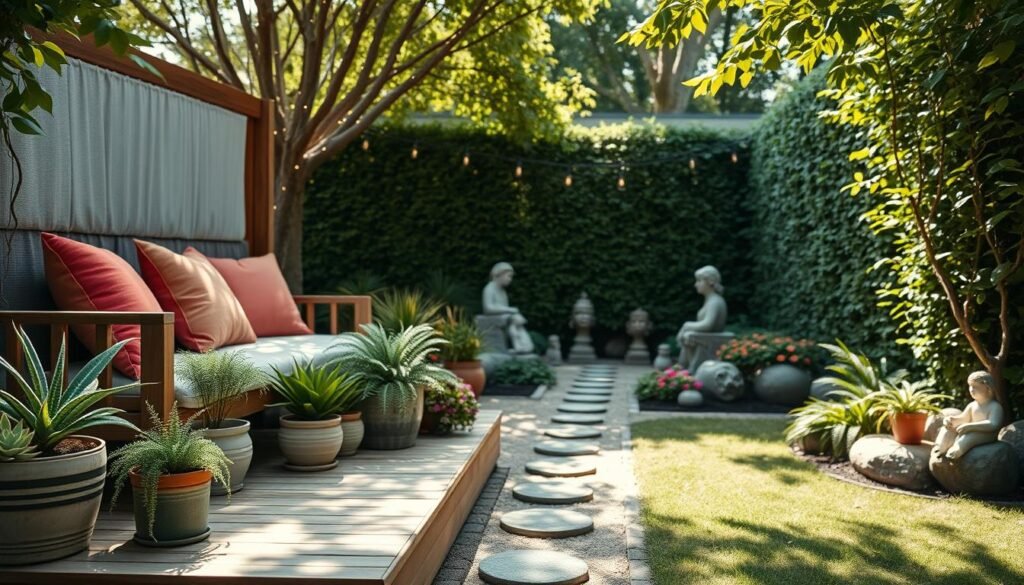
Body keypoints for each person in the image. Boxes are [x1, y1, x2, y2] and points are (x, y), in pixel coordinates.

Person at [932, 371, 1004, 460]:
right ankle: (940, 448)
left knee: (969, 437)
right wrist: (951, 420)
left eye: (975, 386)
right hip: (970, 429)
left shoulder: (995, 406)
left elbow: (994, 424)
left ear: (987, 387)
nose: (971, 389)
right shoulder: (972, 405)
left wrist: (970, 426)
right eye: (970, 386)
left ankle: (956, 451)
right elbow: (964, 418)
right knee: (947, 429)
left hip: (987, 434)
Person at [676, 265, 728, 367]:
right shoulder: (710, 300)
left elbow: (708, 325)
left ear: (710, 282)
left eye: (699, 281)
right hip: (706, 337)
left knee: (688, 336)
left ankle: (689, 370)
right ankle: (685, 370)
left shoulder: (715, 302)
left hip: (710, 340)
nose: (696, 284)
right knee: (688, 336)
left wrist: (686, 325)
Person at [481, 262, 534, 354]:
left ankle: (524, 346)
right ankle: (521, 346)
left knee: (518, 319)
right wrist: (510, 310)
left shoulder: (502, 292)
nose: (510, 279)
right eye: (508, 276)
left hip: (503, 317)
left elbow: (503, 308)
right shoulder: (489, 288)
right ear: (499, 274)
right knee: (515, 319)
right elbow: (488, 308)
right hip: (492, 318)